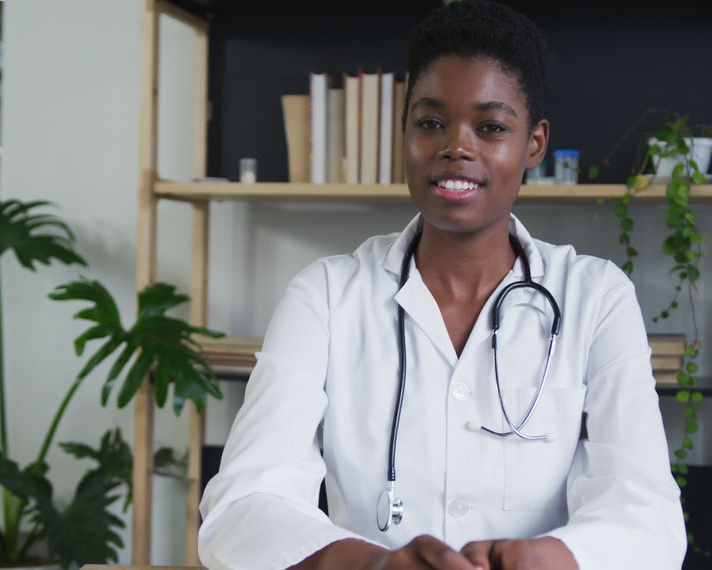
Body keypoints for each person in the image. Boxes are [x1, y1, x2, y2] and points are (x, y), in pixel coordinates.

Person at [198, 1, 685, 568]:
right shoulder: (326, 296)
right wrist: (374, 564)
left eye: (491, 127)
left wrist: (549, 559)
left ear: (534, 143)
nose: (456, 146)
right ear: (403, 132)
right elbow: (244, 503)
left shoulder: (596, 297)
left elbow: (648, 517)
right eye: (430, 122)